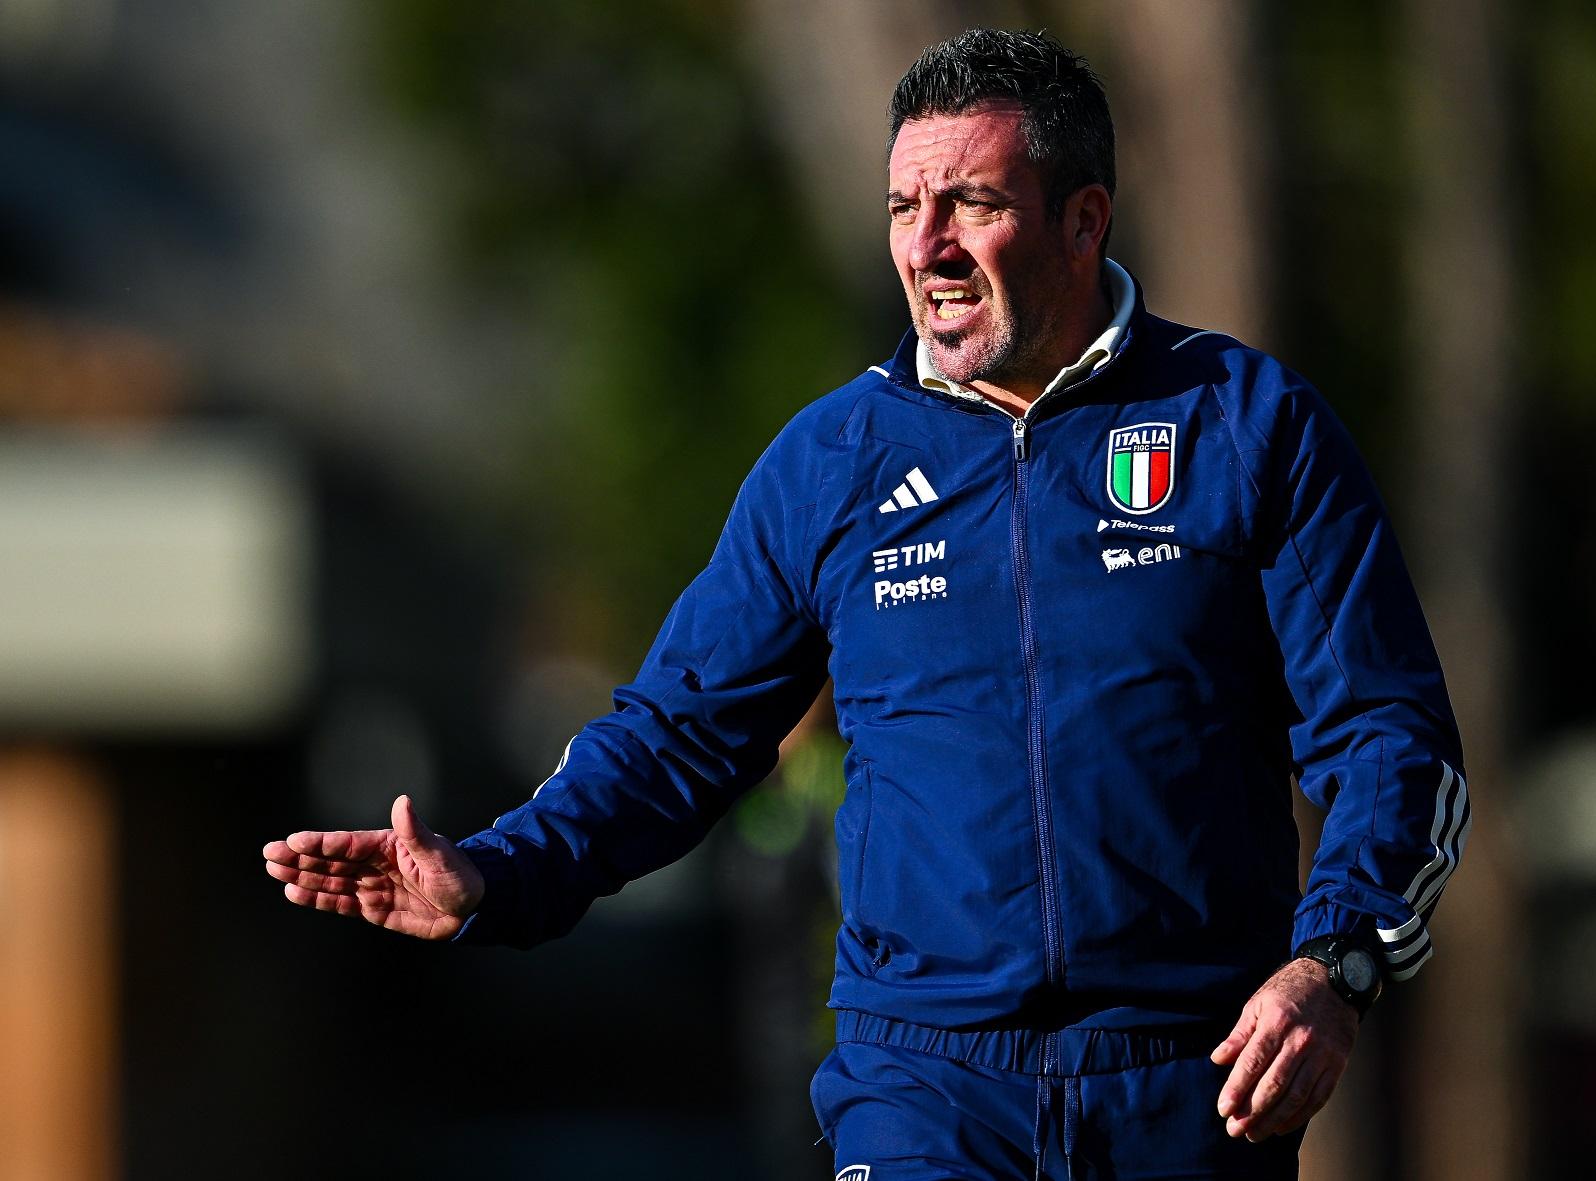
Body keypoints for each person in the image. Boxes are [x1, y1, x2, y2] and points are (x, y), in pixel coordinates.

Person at [264, 28, 1469, 1180]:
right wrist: (493, 870)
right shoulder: (830, 462)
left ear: (1082, 219)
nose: (926, 245)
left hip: (1189, 1083)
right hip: (924, 1085)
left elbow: (1388, 734)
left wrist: (1334, 965)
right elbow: (677, 731)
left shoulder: (1245, 425)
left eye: (971, 204)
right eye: (903, 207)